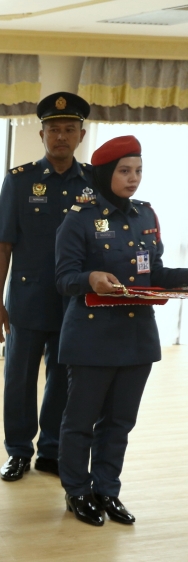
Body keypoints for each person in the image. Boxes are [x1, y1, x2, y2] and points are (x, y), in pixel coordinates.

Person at [55, 135, 188, 527]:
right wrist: (91, 278)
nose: (134, 178)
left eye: (139, 171)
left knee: (119, 422)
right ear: (104, 174)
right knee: (81, 422)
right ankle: (77, 491)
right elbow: (63, 279)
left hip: (136, 338)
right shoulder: (79, 218)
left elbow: (155, 273)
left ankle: (106, 489)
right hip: (92, 338)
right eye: (125, 171)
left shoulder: (146, 215)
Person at [0, 92, 93, 482]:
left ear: (81, 135)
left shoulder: (94, 183)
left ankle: (51, 450)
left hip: (74, 302)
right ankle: (18, 451)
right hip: (28, 300)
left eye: (69, 129)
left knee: (64, 379)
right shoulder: (20, 181)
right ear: (42, 134)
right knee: (18, 380)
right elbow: (3, 247)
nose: (60, 136)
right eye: (53, 129)